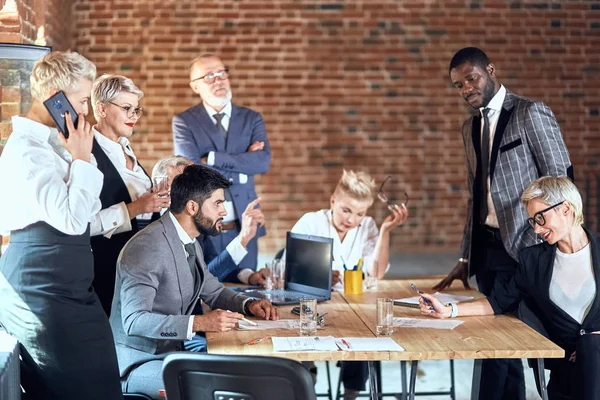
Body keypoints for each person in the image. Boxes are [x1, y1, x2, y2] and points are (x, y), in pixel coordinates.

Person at [433, 47, 573, 400]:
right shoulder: (470, 127)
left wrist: (550, 242)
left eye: (471, 78)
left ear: (491, 70)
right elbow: (476, 197)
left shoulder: (530, 113)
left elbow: (561, 180)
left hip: (527, 244)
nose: (466, 88)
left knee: (496, 342)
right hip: (487, 247)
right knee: (497, 341)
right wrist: (466, 257)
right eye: (458, 85)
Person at [0, 52, 122, 399]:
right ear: (54, 95)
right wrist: (82, 158)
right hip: (40, 288)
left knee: (100, 384)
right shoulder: (26, 151)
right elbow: (71, 219)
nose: (86, 112)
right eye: (83, 101)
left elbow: (88, 210)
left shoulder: (56, 145)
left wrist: (79, 156)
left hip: (69, 287)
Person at [421, 176, 600, 400]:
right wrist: (448, 310)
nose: (536, 229)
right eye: (532, 222)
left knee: (592, 344)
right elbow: (498, 302)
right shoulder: (533, 260)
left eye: (540, 218)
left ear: (566, 208)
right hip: (566, 374)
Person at [110, 164, 279, 399]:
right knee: (220, 388)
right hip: (139, 363)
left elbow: (213, 290)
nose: (224, 211)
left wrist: (248, 304)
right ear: (192, 207)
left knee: (245, 376)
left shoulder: (190, 240)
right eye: (218, 203)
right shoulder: (147, 247)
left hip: (174, 356)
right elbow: (134, 321)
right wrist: (199, 323)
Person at [291, 169, 408, 399]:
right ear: (332, 201)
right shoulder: (311, 222)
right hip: (314, 304)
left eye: (359, 213)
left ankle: (351, 393)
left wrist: (385, 231)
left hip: (353, 304)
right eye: (345, 210)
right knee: (305, 323)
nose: (351, 220)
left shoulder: (368, 226)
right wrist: (318, 275)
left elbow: (376, 272)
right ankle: (308, 375)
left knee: (364, 329)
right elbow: (290, 270)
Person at [172, 53, 270, 273]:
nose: (218, 80)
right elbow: (193, 173)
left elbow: (262, 162)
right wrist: (244, 162)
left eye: (221, 73)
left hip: (246, 228)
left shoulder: (251, 118)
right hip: (206, 229)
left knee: (247, 293)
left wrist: (213, 159)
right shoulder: (184, 122)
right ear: (195, 87)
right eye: (208, 76)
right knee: (209, 291)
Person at [89, 74, 168, 315]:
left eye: (136, 109)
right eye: (126, 108)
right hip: (108, 271)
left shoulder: (125, 147)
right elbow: (84, 224)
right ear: (101, 109)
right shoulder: (88, 155)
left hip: (140, 266)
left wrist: (158, 199)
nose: (134, 116)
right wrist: (136, 208)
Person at [152, 155, 269, 285]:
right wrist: (243, 239)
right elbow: (200, 280)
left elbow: (212, 268)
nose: (194, 189)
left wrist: (249, 276)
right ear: (160, 188)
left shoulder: (197, 222)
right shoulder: (156, 230)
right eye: (181, 183)